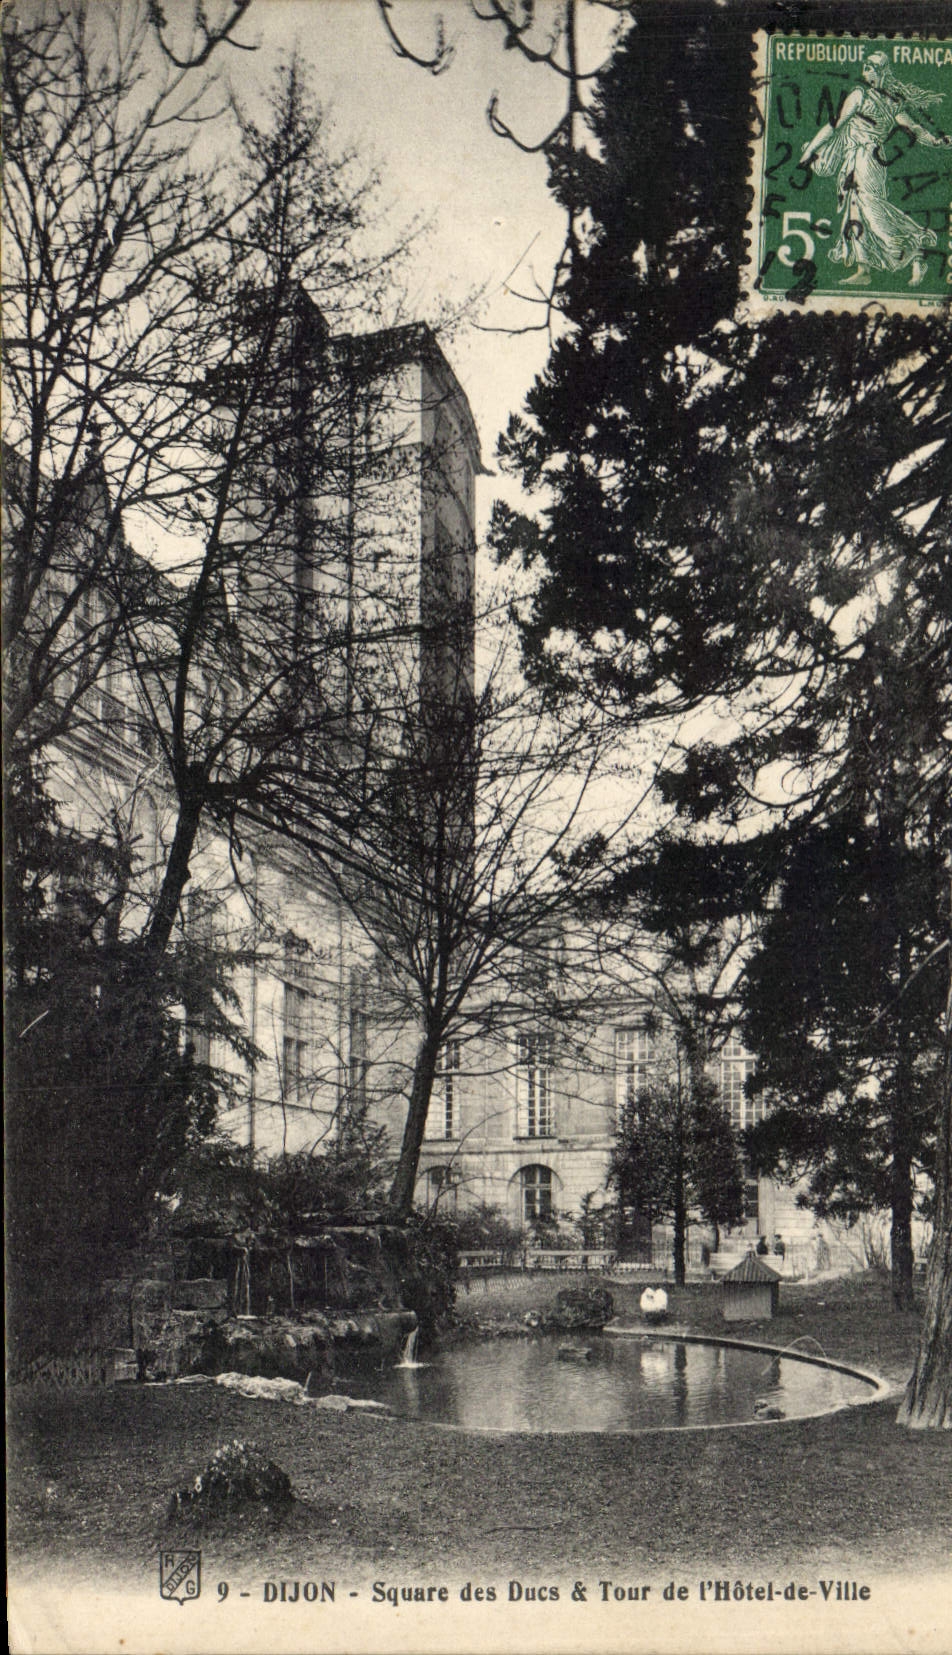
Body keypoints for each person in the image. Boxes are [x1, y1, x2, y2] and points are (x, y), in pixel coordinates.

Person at [799, 52, 951, 286]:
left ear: (883, 71)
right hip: (860, 158)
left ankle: (915, 249)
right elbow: (837, 124)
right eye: (865, 65)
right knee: (855, 211)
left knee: (870, 208)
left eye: (872, 66)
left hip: (867, 158)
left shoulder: (885, 101)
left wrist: (936, 141)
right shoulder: (865, 96)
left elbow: (913, 129)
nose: (866, 69)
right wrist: (810, 149)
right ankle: (864, 269)